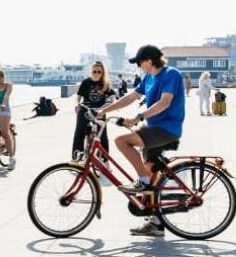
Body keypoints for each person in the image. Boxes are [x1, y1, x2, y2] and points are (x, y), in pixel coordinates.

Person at [97, 45, 185, 237]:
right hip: (154, 129)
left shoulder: (171, 74)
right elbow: (130, 97)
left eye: (139, 63)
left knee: (122, 141)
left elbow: (165, 102)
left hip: (166, 129)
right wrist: (105, 110)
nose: (139, 67)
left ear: (149, 61)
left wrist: (139, 117)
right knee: (149, 171)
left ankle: (142, 181)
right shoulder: (148, 78)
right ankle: (156, 223)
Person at [72, 61, 113, 159]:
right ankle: (77, 156)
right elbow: (79, 96)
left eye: (99, 72)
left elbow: (112, 96)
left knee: (102, 135)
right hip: (86, 109)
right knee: (79, 133)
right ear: (91, 72)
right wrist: (77, 105)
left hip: (100, 110)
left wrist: (108, 104)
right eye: (94, 71)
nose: (97, 74)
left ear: (102, 72)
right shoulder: (85, 82)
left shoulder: (105, 83)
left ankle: (104, 159)